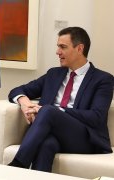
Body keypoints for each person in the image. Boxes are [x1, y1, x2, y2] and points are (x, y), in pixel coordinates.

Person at [7, 27, 114, 172]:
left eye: (63, 47)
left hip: (85, 138)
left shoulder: (103, 79)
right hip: (53, 133)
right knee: (47, 144)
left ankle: (16, 167)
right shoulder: (54, 74)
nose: (58, 52)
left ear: (79, 48)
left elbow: (97, 117)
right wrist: (25, 103)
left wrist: (56, 110)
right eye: (58, 47)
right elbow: (17, 90)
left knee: (49, 110)